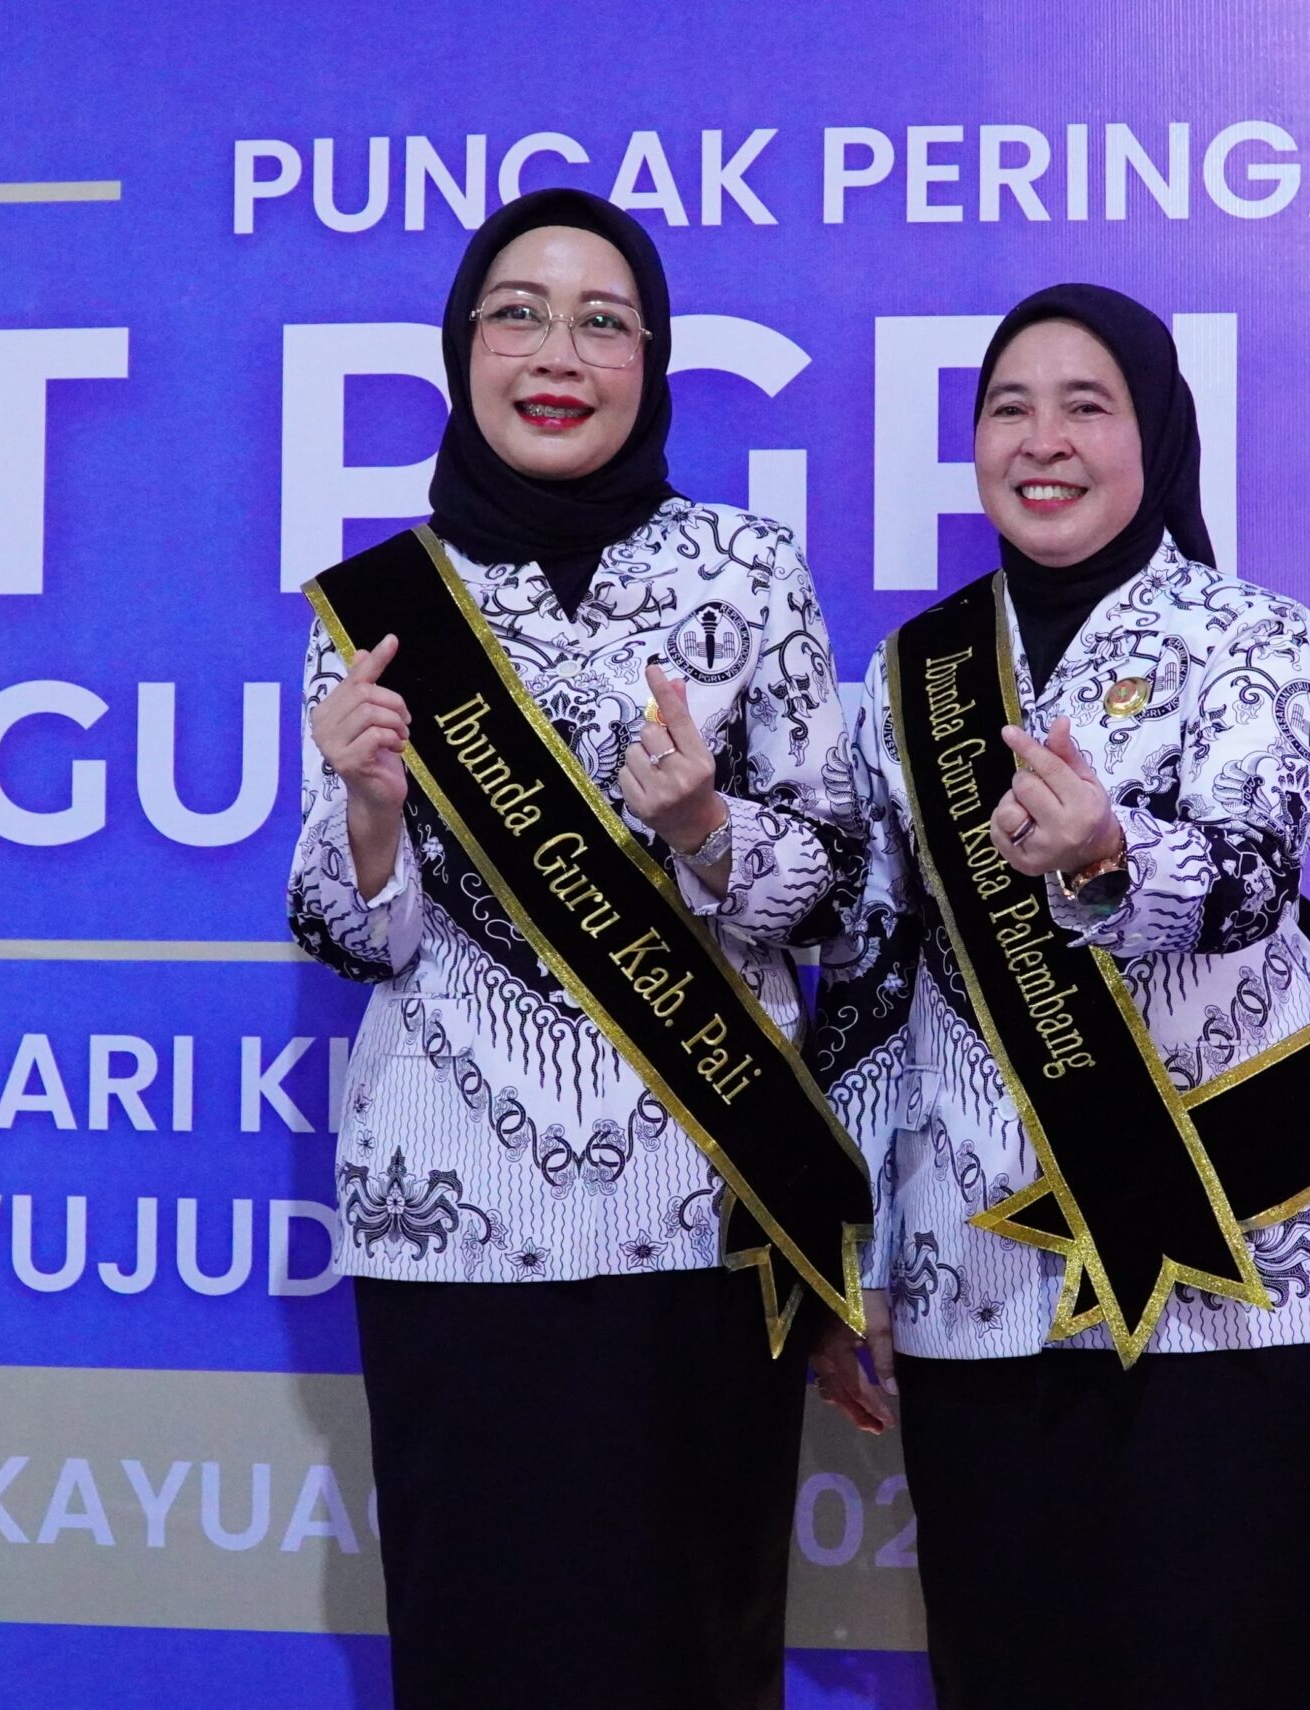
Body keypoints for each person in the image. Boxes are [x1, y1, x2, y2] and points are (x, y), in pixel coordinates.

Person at [288, 188, 870, 1710]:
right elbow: (351, 932)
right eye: (520, 314)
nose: (559, 352)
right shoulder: (383, 605)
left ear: (652, 361)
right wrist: (367, 810)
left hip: (702, 1217)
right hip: (449, 1223)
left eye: (603, 322)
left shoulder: (747, 569)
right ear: (463, 348)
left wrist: (707, 831)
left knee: (691, 1649)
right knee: (480, 1645)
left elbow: (837, 883)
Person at [808, 284, 1310, 1707]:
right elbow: (873, 984)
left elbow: (1252, 877)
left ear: (1158, 436)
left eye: (1088, 405)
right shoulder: (912, 675)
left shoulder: (1253, 635)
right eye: (1009, 408)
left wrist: (1109, 855)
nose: (1043, 440)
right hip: (982, 1284)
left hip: (1232, 1275)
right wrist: (853, 1252)